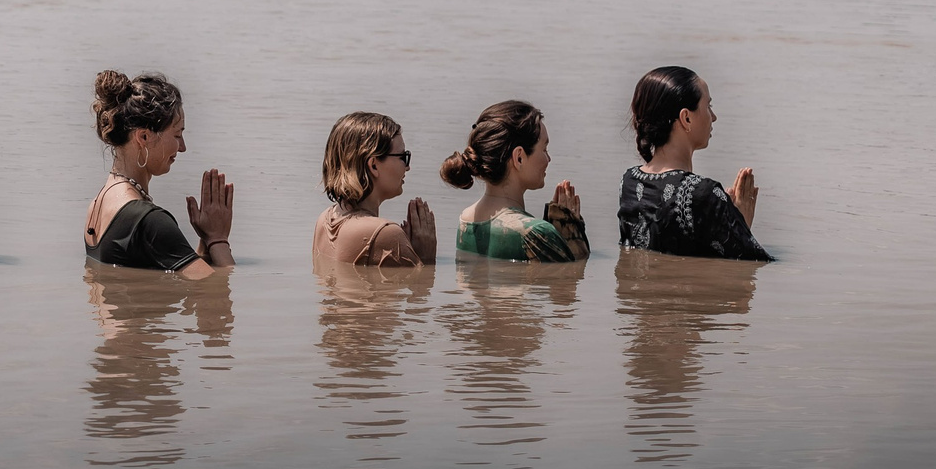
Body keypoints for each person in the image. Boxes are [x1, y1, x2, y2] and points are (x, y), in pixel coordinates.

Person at [84, 70, 234, 278]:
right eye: (177, 134)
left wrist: (206, 241)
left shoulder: (97, 206)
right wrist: (219, 240)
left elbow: (149, 271)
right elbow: (219, 289)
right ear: (144, 136)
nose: (182, 147)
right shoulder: (148, 220)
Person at [619, 66, 770, 261]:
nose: (714, 117)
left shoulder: (629, 181)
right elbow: (751, 266)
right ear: (686, 118)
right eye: (708, 106)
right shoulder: (703, 193)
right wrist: (740, 225)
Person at [440, 100, 588, 262]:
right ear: (519, 158)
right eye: (544, 149)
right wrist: (572, 237)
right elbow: (569, 282)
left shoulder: (466, 220)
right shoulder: (536, 233)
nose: (548, 159)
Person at [313, 111, 438, 268]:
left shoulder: (324, 219)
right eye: (403, 157)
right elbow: (420, 287)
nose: (408, 167)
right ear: (373, 165)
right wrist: (426, 257)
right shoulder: (384, 233)